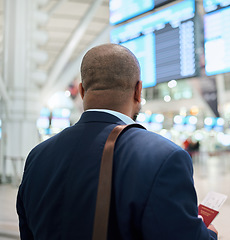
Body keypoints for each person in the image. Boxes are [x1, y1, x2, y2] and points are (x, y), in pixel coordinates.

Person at [16, 43, 218, 240]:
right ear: (138, 91)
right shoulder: (165, 157)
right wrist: (209, 235)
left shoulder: (38, 156)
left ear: (83, 91)